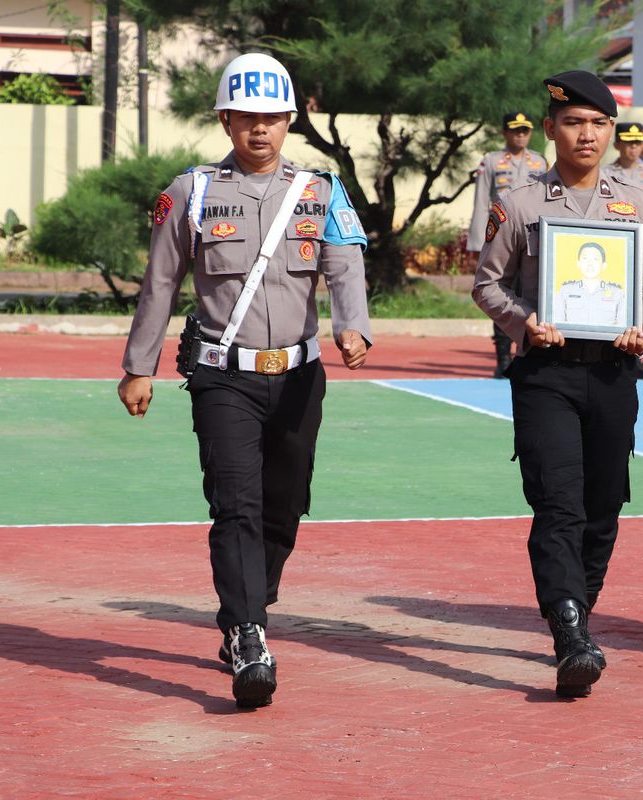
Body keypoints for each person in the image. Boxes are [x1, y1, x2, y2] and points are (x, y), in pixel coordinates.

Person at [116, 53, 372, 708]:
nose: (259, 130)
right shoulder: (192, 192)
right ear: (226, 119)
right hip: (220, 377)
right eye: (246, 118)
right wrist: (138, 366)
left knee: (284, 507)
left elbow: (344, 267)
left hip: (298, 377)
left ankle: (254, 595)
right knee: (236, 504)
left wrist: (353, 325)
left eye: (271, 118)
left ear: (289, 120)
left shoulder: (321, 192)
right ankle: (248, 632)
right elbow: (161, 283)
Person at [471, 70, 643, 698]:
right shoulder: (524, 203)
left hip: (614, 371)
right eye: (575, 122)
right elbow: (487, 283)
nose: (588, 134)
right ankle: (569, 629)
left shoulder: (637, 201)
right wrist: (524, 322)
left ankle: (578, 611)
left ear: (613, 131)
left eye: (599, 123)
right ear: (552, 128)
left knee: (604, 506)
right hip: (547, 374)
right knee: (558, 502)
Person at [466, 112, 550, 378]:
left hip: (534, 238)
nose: (521, 135)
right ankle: (502, 356)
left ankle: (525, 351)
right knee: (501, 293)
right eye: (515, 131)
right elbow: (481, 203)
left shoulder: (539, 160)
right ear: (505, 133)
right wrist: (478, 243)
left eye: (525, 131)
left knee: (531, 294)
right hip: (502, 237)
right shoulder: (491, 161)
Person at [603, 122, 643, 380]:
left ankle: (637, 359)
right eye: (628, 142)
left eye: (638, 142)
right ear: (617, 145)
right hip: (613, 249)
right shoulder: (603, 173)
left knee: (641, 304)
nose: (634, 147)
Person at [553, 241, 625, 325]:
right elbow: (557, 324)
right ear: (578, 264)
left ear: (604, 265)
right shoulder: (565, 290)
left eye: (595, 259)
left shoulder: (617, 292)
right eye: (585, 258)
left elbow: (621, 326)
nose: (590, 264)